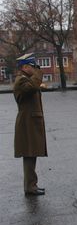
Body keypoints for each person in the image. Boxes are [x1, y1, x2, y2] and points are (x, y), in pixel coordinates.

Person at [13, 53, 47, 196]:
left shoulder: (26, 80)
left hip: (30, 122)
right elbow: (32, 86)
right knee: (29, 154)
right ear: (25, 67)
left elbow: (33, 86)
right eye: (32, 66)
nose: (35, 69)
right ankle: (30, 187)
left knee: (32, 155)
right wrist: (39, 73)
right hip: (27, 123)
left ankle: (32, 185)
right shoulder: (21, 80)